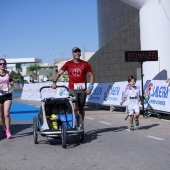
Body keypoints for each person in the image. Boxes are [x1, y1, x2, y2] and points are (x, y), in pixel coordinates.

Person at [51, 47, 94, 121]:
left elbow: (91, 76)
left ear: (80, 53)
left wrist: (90, 87)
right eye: (75, 52)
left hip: (83, 89)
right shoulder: (68, 64)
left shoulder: (85, 64)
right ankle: (76, 120)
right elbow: (59, 73)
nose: (77, 53)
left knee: (81, 108)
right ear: (72, 54)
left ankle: (81, 123)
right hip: (72, 89)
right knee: (74, 107)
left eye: (78, 52)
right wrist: (54, 82)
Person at [0, 58, 14, 138]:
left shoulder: (8, 73)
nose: (2, 65)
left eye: (3, 64)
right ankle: (4, 129)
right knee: (1, 116)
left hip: (7, 95)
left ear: (6, 65)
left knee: (6, 113)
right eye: (0, 64)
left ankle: (8, 131)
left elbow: (12, 81)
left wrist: (11, 83)